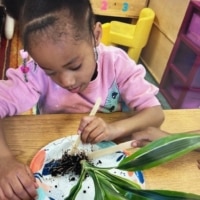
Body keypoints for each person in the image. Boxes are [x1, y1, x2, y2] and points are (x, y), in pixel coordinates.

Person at [0, 0, 164, 199]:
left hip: (109, 154)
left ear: (96, 35)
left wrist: (114, 129)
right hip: (55, 151)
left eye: (75, 66)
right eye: (51, 72)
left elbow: (155, 114)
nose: (66, 81)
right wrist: (4, 160)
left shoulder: (117, 65)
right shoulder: (34, 72)